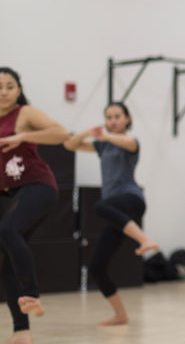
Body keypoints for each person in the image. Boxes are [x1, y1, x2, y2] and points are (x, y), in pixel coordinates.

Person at [0, 67, 70, 344]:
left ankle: (31, 294)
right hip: (20, 192)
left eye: (9, 86)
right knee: (2, 265)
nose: (3, 91)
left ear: (18, 90)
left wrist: (23, 137)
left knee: (8, 229)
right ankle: (21, 332)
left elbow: (61, 133)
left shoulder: (25, 114)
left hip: (39, 186)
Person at [63, 102, 159, 326]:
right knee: (97, 266)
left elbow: (129, 143)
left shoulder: (130, 142)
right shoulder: (102, 145)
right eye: (109, 117)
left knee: (99, 206)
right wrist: (88, 132)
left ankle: (144, 239)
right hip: (115, 209)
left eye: (117, 116)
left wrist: (105, 135)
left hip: (131, 199)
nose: (113, 120)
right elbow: (70, 144)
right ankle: (121, 315)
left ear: (127, 119)